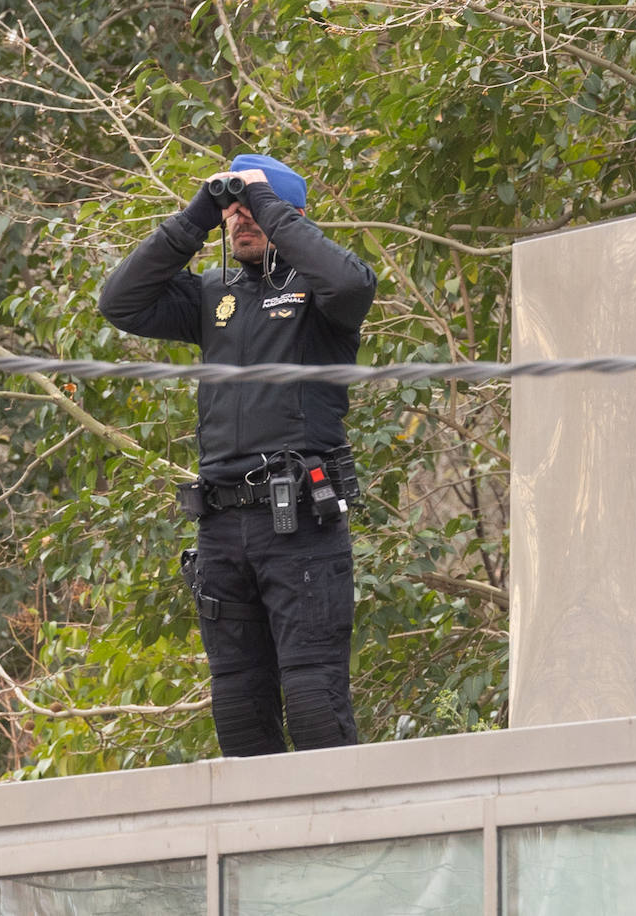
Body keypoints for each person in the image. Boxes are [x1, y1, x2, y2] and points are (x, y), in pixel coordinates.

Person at [98, 153, 377, 756]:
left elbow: (353, 281)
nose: (240, 221)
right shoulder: (211, 294)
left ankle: (341, 838)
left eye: (253, 212)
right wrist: (199, 212)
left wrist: (269, 207)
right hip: (222, 528)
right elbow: (118, 301)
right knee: (238, 709)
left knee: (312, 699)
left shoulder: (321, 293)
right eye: (233, 213)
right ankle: (265, 849)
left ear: (289, 216)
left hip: (301, 520)